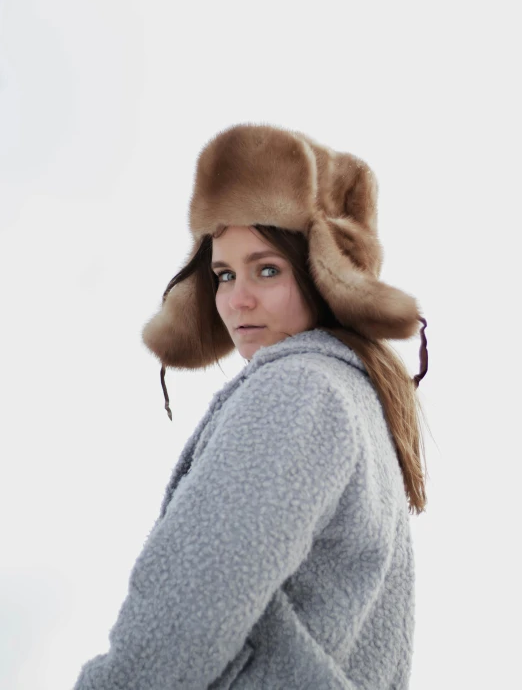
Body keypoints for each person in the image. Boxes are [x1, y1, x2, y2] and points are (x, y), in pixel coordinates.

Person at [73, 123, 429, 690]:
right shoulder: (354, 398)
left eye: (267, 269)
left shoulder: (300, 391)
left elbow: (187, 609)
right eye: (223, 274)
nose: (236, 300)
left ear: (321, 273)